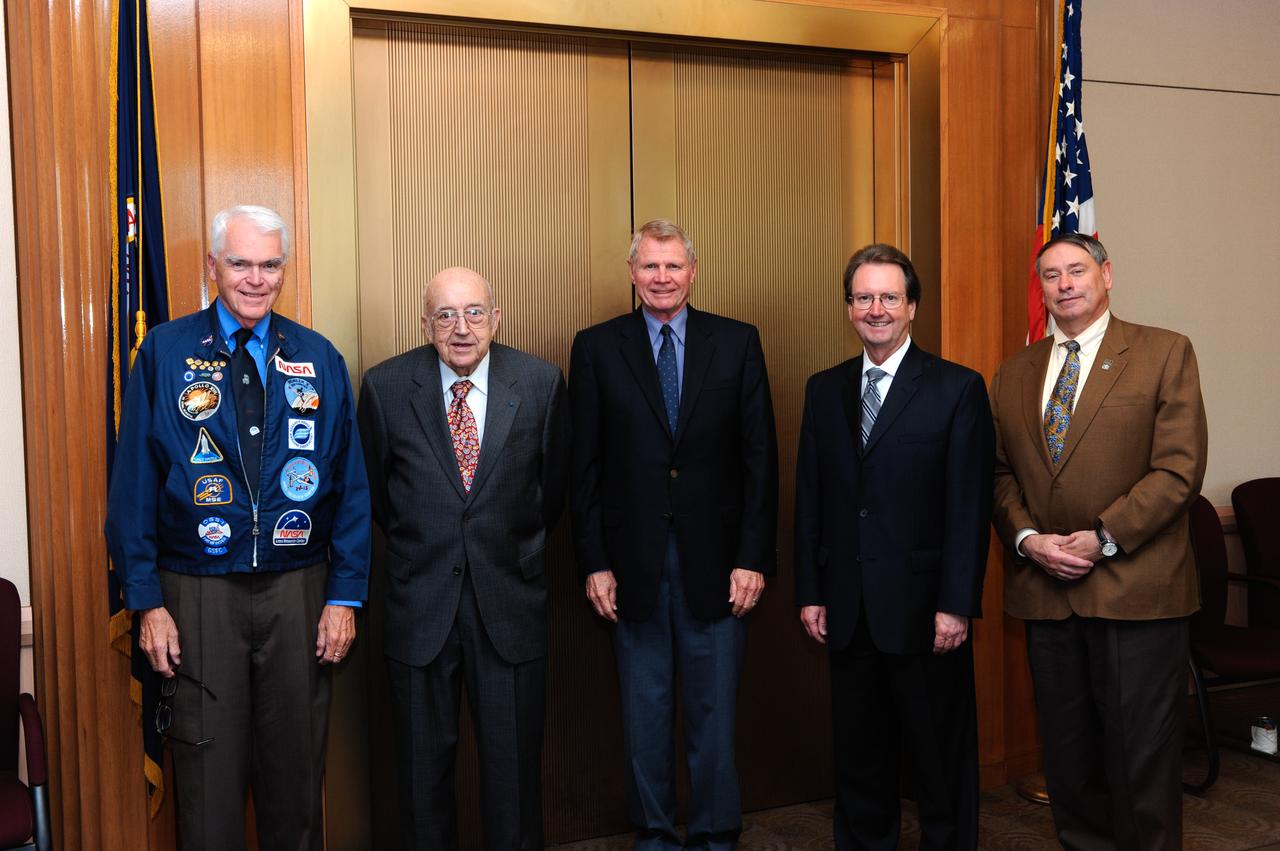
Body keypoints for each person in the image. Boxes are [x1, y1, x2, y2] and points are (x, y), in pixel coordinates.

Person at [105, 204, 370, 850]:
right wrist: (147, 603)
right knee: (207, 780)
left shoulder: (318, 357)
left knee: (296, 776)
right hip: (197, 592)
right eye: (241, 263)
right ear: (213, 266)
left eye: (270, 265)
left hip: (297, 591)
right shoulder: (164, 353)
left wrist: (344, 596)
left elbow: (351, 488)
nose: (256, 278)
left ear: (284, 268)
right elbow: (133, 488)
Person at [991, 232, 1208, 850]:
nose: (1064, 284)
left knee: (1141, 762)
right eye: (1051, 275)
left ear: (1106, 276)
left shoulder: (1164, 352)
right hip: (1046, 593)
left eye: (1077, 270)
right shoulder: (1013, 372)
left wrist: (1103, 538)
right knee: (1069, 759)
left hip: (1136, 594)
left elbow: (1178, 471)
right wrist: (1027, 539)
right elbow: (999, 474)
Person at [569, 219, 778, 850]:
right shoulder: (597, 347)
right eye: (650, 266)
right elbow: (584, 467)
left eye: (674, 265)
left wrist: (753, 558)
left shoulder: (737, 342)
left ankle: (715, 834)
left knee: (714, 716)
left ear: (693, 271)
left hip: (719, 565)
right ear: (632, 273)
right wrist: (594, 562)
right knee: (645, 713)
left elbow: (760, 461)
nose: (662, 277)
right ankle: (655, 835)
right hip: (631, 565)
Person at [358, 266, 570, 850]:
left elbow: (551, 493)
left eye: (475, 312)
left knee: (514, 775)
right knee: (421, 778)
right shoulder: (385, 386)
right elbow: (376, 494)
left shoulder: (541, 382)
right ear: (425, 324)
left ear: (495, 318)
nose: (461, 328)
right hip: (419, 604)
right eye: (446, 315)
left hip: (510, 602)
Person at [794, 243, 994, 849]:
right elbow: (811, 499)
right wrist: (811, 592)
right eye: (863, 298)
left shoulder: (957, 388)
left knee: (939, 758)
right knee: (860, 758)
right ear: (848, 308)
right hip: (848, 607)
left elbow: (968, 507)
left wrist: (955, 604)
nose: (875, 309)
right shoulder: (824, 390)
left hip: (926, 610)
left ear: (912, 307)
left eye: (888, 297)